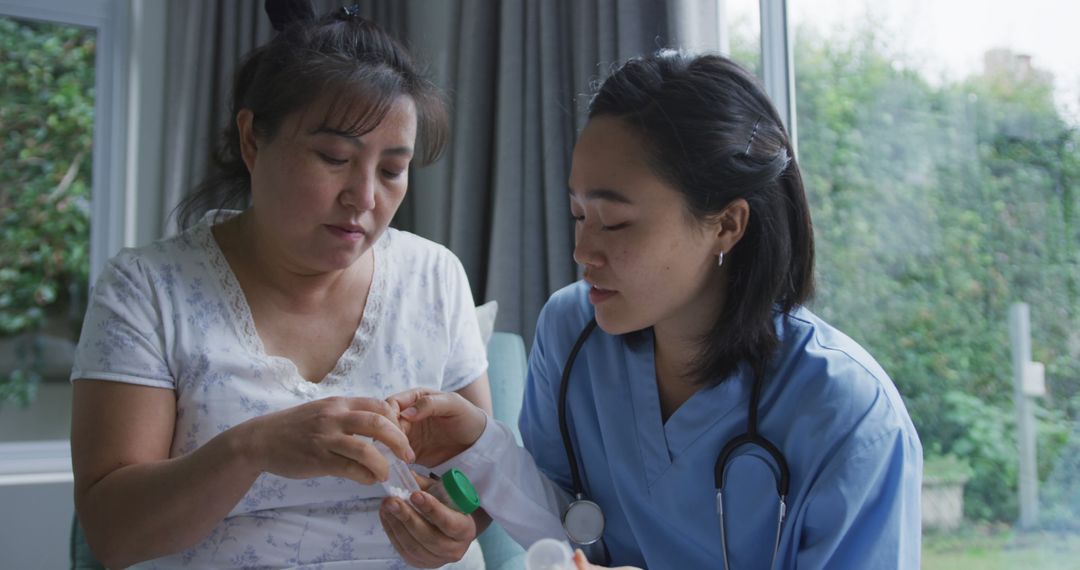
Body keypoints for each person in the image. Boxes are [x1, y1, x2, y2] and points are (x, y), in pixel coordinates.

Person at [386, 51, 923, 569]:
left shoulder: (850, 418)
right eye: (578, 215)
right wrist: (483, 449)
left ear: (727, 225)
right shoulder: (572, 330)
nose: (582, 252)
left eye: (615, 222)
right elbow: (565, 526)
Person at [69, 3, 492, 569]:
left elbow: (481, 478)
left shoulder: (435, 277)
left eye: (392, 170)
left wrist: (458, 525)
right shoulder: (147, 291)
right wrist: (253, 449)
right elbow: (114, 535)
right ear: (252, 140)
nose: (365, 197)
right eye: (334, 157)